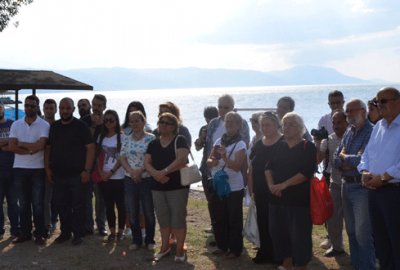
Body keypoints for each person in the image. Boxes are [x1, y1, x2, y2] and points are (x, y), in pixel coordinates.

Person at [265, 112, 316, 270]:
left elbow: (307, 172)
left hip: (298, 201)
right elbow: (268, 167)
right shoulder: (280, 144)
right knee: (280, 238)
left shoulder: (308, 146)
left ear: (300, 128)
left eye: (292, 124)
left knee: (300, 239)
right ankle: (286, 267)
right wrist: (272, 185)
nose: (287, 128)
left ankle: (300, 267)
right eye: (285, 124)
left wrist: (284, 185)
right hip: (277, 199)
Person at [358, 87, 400, 270]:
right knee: (381, 243)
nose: (378, 105)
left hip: (395, 192)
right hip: (375, 192)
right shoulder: (379, 127)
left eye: (383, 101)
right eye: (377, 101)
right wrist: (365, 171)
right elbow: (366, 154)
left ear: (398, 102)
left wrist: (383, 178)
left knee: (397, 242)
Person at [44, 98, 95, 246]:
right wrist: (47, 169)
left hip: (78, 175)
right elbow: (48, 149)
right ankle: (65, 233)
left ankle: (79, 234)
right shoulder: (54, 127)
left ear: (73, 109)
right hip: (58, 175)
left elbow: (90, 148)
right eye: (62, 108)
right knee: (62, 206)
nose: (65, 111)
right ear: (58, 109)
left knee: (78, 206)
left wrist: (87, 170)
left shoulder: (81, 126)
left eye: (68, 108)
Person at [333, 98, 375, 270]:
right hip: (346, 185)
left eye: (352, 111)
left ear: (364, 111)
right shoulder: (349, 131)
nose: (348, 114)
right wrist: (345, 160)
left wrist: (345, 157)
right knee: (350, 231)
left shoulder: (371, 131)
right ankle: (358, 266)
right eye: (347, 111)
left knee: (362, 234)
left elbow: (362, 160)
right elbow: (335, 158)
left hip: (361, 187)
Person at [144, 112, 190, 263]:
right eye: (161, 122)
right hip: (157, 187)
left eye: (167, 122)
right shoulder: (153, 143)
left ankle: (179, 250)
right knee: (163, 218)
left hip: (177, 187)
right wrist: (156, 175)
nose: (163, 125)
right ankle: (165, 248)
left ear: (174, 126)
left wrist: (163, 172)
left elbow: (182, 159)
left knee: (178, 218)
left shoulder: (180, 139)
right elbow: (146, 163)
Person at [9, 95, 50, 245]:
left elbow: (41, 146)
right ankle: (24, 233)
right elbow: (12, 147)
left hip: (37, 169)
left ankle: (39, 234)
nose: (29, 108)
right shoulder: (16, 124)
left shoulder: (44, 125)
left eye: (32, 106)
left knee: (38, 203)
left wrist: (21, 144)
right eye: (27, 105)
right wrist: (31, 150)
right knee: (24, 203)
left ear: (38, 108)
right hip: (19, 168)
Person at [207, 111, 247, 259]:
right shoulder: (219, 141)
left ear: (238, 126)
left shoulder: (240, 144)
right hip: (219, 183)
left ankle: (235, 249)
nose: (229, 124)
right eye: (227, 121)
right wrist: (214, 162)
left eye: (232, 122)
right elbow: (208, 161)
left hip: (234, 186)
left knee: (234, 218)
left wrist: (224, 157)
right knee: (219, 216)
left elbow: (237, 167)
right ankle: (222, 246)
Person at [248, 112, 283, 264]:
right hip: (260, 189)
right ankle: (265, 252)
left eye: (268, 124)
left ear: (276, 125)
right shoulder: (258, 143)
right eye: (262, 125)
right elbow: (251, 167)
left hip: (278, 188)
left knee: (277, 224)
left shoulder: (283, 142)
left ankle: (279, 256)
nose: (265, 128)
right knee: (263, 222)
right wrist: (252, 190)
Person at [120, 111, 156, 251]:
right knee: (133, 211)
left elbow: (153, 157)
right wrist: (131, 172)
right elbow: (123, 158)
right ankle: (136, 240)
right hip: (130, 179)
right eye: (132, 121)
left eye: (137, 121)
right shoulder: (127, 139)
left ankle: (150, 240)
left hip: (146, 179)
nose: (134, 124)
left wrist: (140, 171)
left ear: (143, 122)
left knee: (148, 211)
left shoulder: (151, 138)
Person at [315, 110, 347, 257]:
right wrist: (318, 143)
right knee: (333, 218)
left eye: (339, 122)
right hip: (335, 184)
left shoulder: (353, 137)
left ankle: (361, 251)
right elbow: (318, 159)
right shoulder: (328, 140)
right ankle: (337, 247)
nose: (335, 125)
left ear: (347, 122)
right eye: (333, 123)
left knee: (356, 223)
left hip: (354, 185)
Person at [95, 110, 127, 243]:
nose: (108, 123)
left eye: (111, 120)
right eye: (106, 120)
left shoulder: (122, 137)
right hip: (104, 176)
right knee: (108, 205)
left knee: (120, 205)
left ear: (116, 121)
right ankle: (112, 231)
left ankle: (120, 231)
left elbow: (122, 157)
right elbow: (97, 155)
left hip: (118, 176)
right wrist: (100, 171)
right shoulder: (101, 137)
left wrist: (111, 172)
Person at [81, 94, 108, 236]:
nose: (96, 108)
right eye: (94, 105)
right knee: (86, 196)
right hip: (87, 163)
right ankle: (88, 225)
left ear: (104, 107)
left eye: (99, 105)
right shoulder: (84, 121)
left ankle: (101, 224)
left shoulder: (108, 123)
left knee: (101, 196)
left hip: (102, 164)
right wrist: (93, 124)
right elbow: (85, 140)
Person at [194, 106, 218, 234]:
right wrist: (202, 136)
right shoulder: (204, 129)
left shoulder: (220, 128)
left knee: (217, 198)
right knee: (209, 198)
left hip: (217, 166)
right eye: (207, 119)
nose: (209, 121)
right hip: (205, 167)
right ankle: (213, 224)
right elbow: (197, 148)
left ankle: (219, 224)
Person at [0, 100, 20, 239]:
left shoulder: (13, 124)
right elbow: (13, 142)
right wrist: (9, 141)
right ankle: (0, 231)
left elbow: (17, 142)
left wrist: (3, 145)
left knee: (13, 202)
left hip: (13, 170)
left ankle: (15, 229)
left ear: (3, 108)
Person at [42, 99, 59, 237]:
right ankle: (46, 224)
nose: (49, 110)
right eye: (46, 108)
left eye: (51, 108)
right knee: (45, 198)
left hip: (58, 166)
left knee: (58, 197)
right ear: (43, 110)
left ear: (55, 110)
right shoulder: (39, 125)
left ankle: (54, 221)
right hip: (39, 165)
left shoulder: (59, 126)